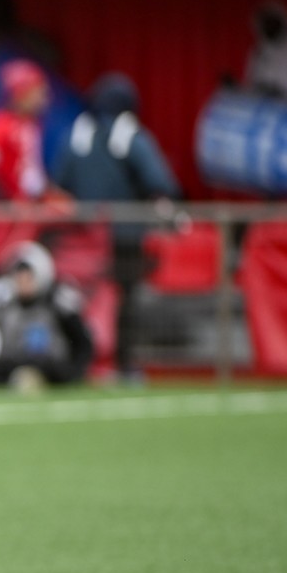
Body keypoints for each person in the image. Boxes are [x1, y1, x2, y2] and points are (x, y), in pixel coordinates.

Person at [52, 72, 182, 381]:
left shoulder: (77, 133)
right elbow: (161, 182)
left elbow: (57, 183)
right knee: (125, 301)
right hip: (124, 236)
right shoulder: (128, 133)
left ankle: (80, 362)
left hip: (81, 241)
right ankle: (122, 364)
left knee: (80, 299)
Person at [0, 241, 94, 391]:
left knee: (49, 368)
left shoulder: (57, 303)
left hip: (47, 365)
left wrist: (75, 372)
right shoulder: (7, 307)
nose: (23, 284)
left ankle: (32, 377)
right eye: (19, 278)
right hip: (15, 362)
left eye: (28, 278)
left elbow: (82, 343)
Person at [0, 60, 71, 208]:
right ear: (21, 94)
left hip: (30, 207)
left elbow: (32, 176)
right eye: (38, 92)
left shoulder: (31, 125)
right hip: (10, 212)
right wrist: (8, 206)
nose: (44, 98)